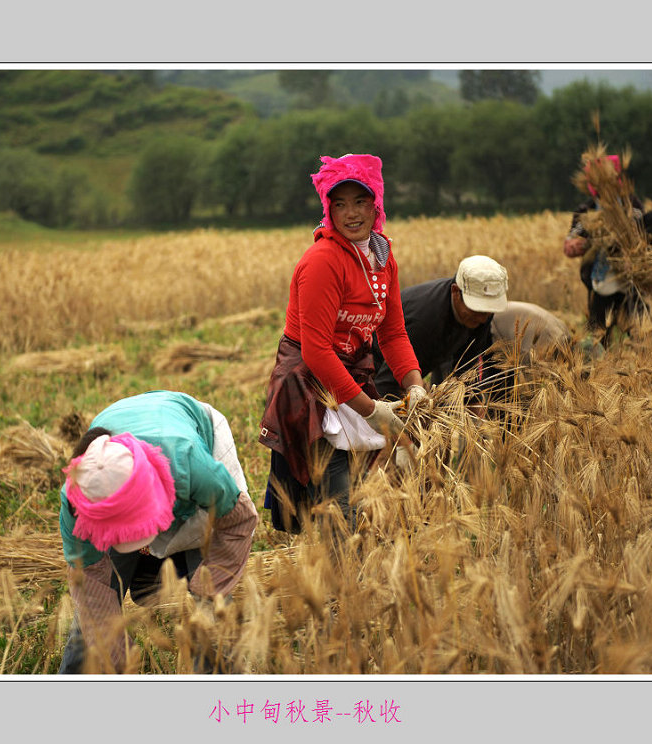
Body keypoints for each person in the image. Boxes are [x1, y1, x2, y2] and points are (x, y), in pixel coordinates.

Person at [258, 153, 425, 535]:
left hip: (349, 377)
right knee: (338, 501)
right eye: (340, 204)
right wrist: (371, 411)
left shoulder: (382, 258)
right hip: (310, 385)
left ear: (376, 204)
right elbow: (316, 351)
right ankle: (338, 588)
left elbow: (394, 332)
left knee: (353, 498)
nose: (351, 213)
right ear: (327, 209)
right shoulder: (323, 261)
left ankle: (339, 579)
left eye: (361, 202)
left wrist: (415, 385)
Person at [58, 390, 258, 673]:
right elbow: (89, 578)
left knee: (212, 606)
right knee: (90, 622)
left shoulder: (189, 463)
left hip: (191, 435)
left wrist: (209, 584)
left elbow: (237, 521)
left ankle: (218, 686)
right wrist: (111, 648)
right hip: (137, 437)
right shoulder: (77, 501)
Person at [372, 256, 570, 409]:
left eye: (488, 310)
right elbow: (386, 383)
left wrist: (471, 401)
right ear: (456, 292)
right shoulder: (426, 320)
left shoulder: (480, 316)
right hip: (372, 366)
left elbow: (468, 362)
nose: (483, 318)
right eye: (477, 309)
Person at [562, 154, 645, 331]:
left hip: (630, 284)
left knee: (636, 335)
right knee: (598, 335)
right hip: (599, 284)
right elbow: (570, 242)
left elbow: (644, 236)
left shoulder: (633, 206)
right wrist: (575, 245)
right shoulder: (587, 210)